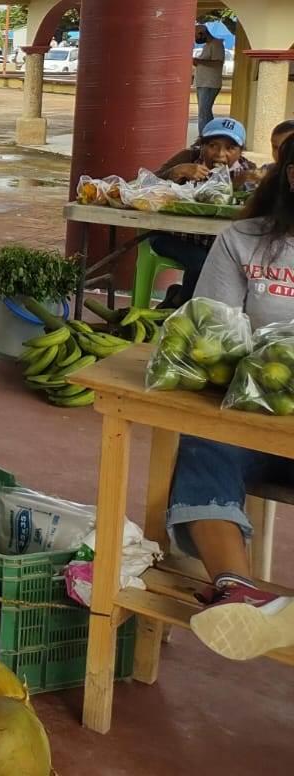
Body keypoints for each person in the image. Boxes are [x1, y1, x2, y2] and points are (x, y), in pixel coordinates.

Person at [166, 133, 294, 662]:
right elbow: (214, 337)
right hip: (254, 420)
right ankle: (236, 589)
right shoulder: (243, 240)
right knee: (205, 438)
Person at [152, 117, 258, 306]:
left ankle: (179, 300)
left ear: (241, 152)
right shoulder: (187, 158)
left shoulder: (247, 170)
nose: (220, 154)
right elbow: (143, 187)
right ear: (201, 145)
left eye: (230, 148)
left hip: (216, 241)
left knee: (234, 266)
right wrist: (175, 172)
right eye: (213, 145)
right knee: (202, 263)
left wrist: (248, 186)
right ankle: (180, 307)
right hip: (170, 235)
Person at [194, 23, 227, 136]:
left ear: (202, 33)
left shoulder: (216, 44)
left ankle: (205, 137)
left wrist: (199, 61)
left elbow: (218, 62)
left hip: (210, 84)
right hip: (202, 83)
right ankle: (207, 136)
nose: (195, 39)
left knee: (204, 113)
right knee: (203, 113)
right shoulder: (207, 46)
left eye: (196, 36)